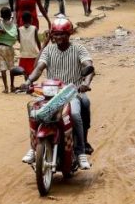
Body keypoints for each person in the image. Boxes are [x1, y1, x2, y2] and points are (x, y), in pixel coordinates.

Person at [21, 17, 95, 169]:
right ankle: (33, 148)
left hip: (71, 93)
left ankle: (80, 152)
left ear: (69, 34)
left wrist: (85, 83)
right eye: (55, 34)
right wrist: (28, 82)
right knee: (34, 112)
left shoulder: (79, 49)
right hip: (50, 94)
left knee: (74, 115)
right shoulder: (48, 50)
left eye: (62, 34)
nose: (58, 37)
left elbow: (89, 66)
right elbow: (39, 68)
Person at [0, 7, 18, 94]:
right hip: (9, 47)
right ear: (10, 15)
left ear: (1, 15)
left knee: (2, 68)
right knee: (11, 67)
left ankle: (6, 88)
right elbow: (14, 31)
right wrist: (13, 18)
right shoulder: (12, 25)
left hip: (0, 47)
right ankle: (12, 86)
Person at [17, 11, 41, 81]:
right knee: (31, 71)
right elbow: (38, 41)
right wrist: (40, 50)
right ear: (31, 19)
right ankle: (30, 84)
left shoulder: (19, 29)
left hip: (23, 53)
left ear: (22, 20)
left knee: (25, 71)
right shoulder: (34, 28)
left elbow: (19, 40)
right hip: (33, 53)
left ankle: (26, 84)